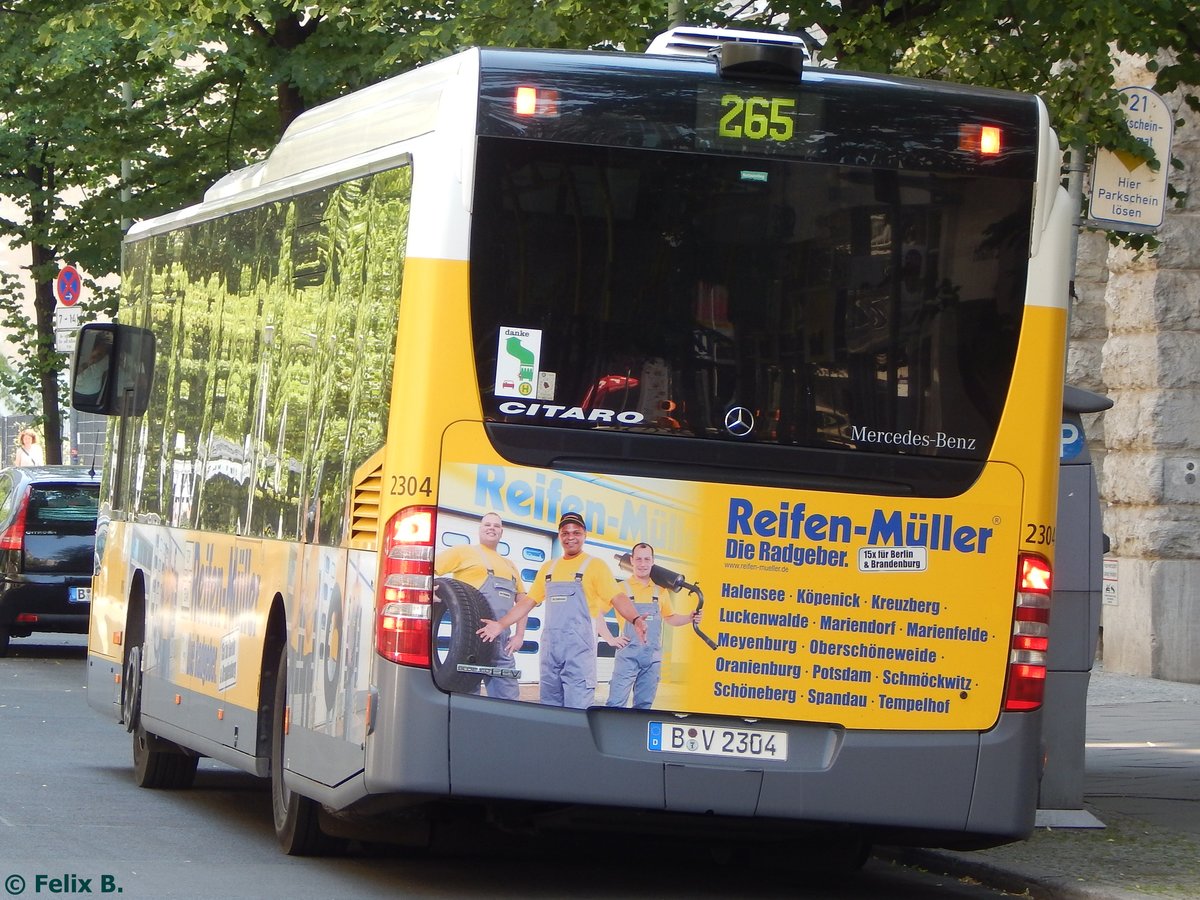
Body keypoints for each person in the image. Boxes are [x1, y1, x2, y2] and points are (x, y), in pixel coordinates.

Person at [478, 512, 648, 709]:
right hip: (551, 653)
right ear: (559, 535)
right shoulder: (548, 568)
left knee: (577, 712)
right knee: (550, 711)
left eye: (576, 532)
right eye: (565, 533)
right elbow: (528, 602)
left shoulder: (595, 566)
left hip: (579, 654)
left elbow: (617, 597)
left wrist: (635, 619)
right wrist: (501, 624)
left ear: (584, 535)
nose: (570, 537)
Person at [434, 512, 528, 700]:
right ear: (480, 529)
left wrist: (519, 635)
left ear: (501, 532)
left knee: (509, 701)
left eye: (496, 526)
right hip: (471, 642)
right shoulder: (464, 552)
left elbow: (523, 602)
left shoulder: (510, 565)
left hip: (502, 644)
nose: (491, 528)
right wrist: (434, 594)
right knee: (467, 699)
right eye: (487, 524)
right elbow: (428, 569)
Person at [605, 542, 701, 710]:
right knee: (615, 704)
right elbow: (596, 613)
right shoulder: (620, 588)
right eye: (639, 559)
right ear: (632, 561)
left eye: (647, 559)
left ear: (652, 561)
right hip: (627, 655)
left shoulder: (661, 591)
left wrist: (689, 617)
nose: (643, 564)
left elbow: (670, 618)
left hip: (652, 658)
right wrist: (609, 638)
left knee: (644, 707)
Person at [73, 335, 111, 402]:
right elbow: (74, 373)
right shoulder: (81, 356)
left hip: (95, 393)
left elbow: (105, 375)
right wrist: (88, 363)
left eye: (104, 351)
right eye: (99, 352)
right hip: (79, 393)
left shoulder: (106, 359)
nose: (102, 354)